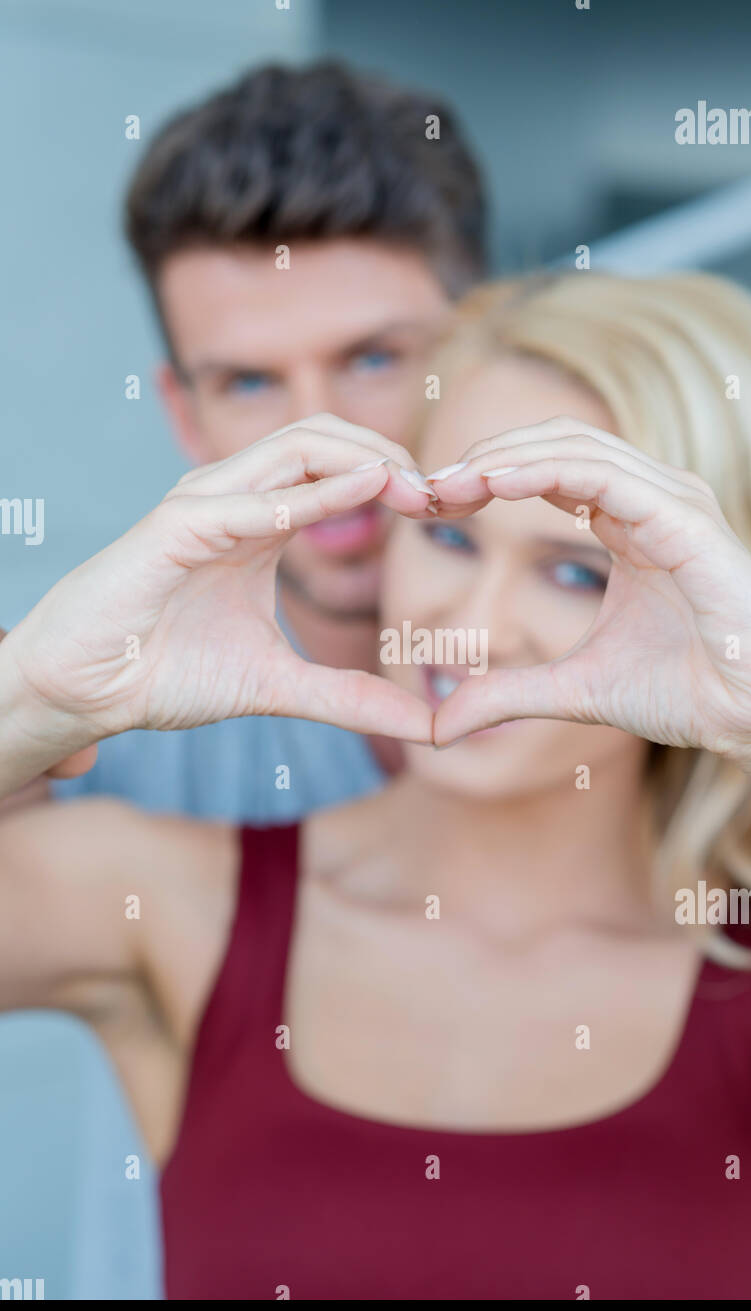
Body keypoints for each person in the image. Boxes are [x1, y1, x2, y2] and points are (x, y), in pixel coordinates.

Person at [2, 270, 751, 1299]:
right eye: (451, 536)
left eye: (577, 569)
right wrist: (35, 692)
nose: (475, 623)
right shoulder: (167, 903)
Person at [38, 59, 487, 822]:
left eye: (374, 358)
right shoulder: (95, 732)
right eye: (248, 383)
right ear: (186, 416)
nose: (323, 443)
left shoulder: (649, 669)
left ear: (487, 350)